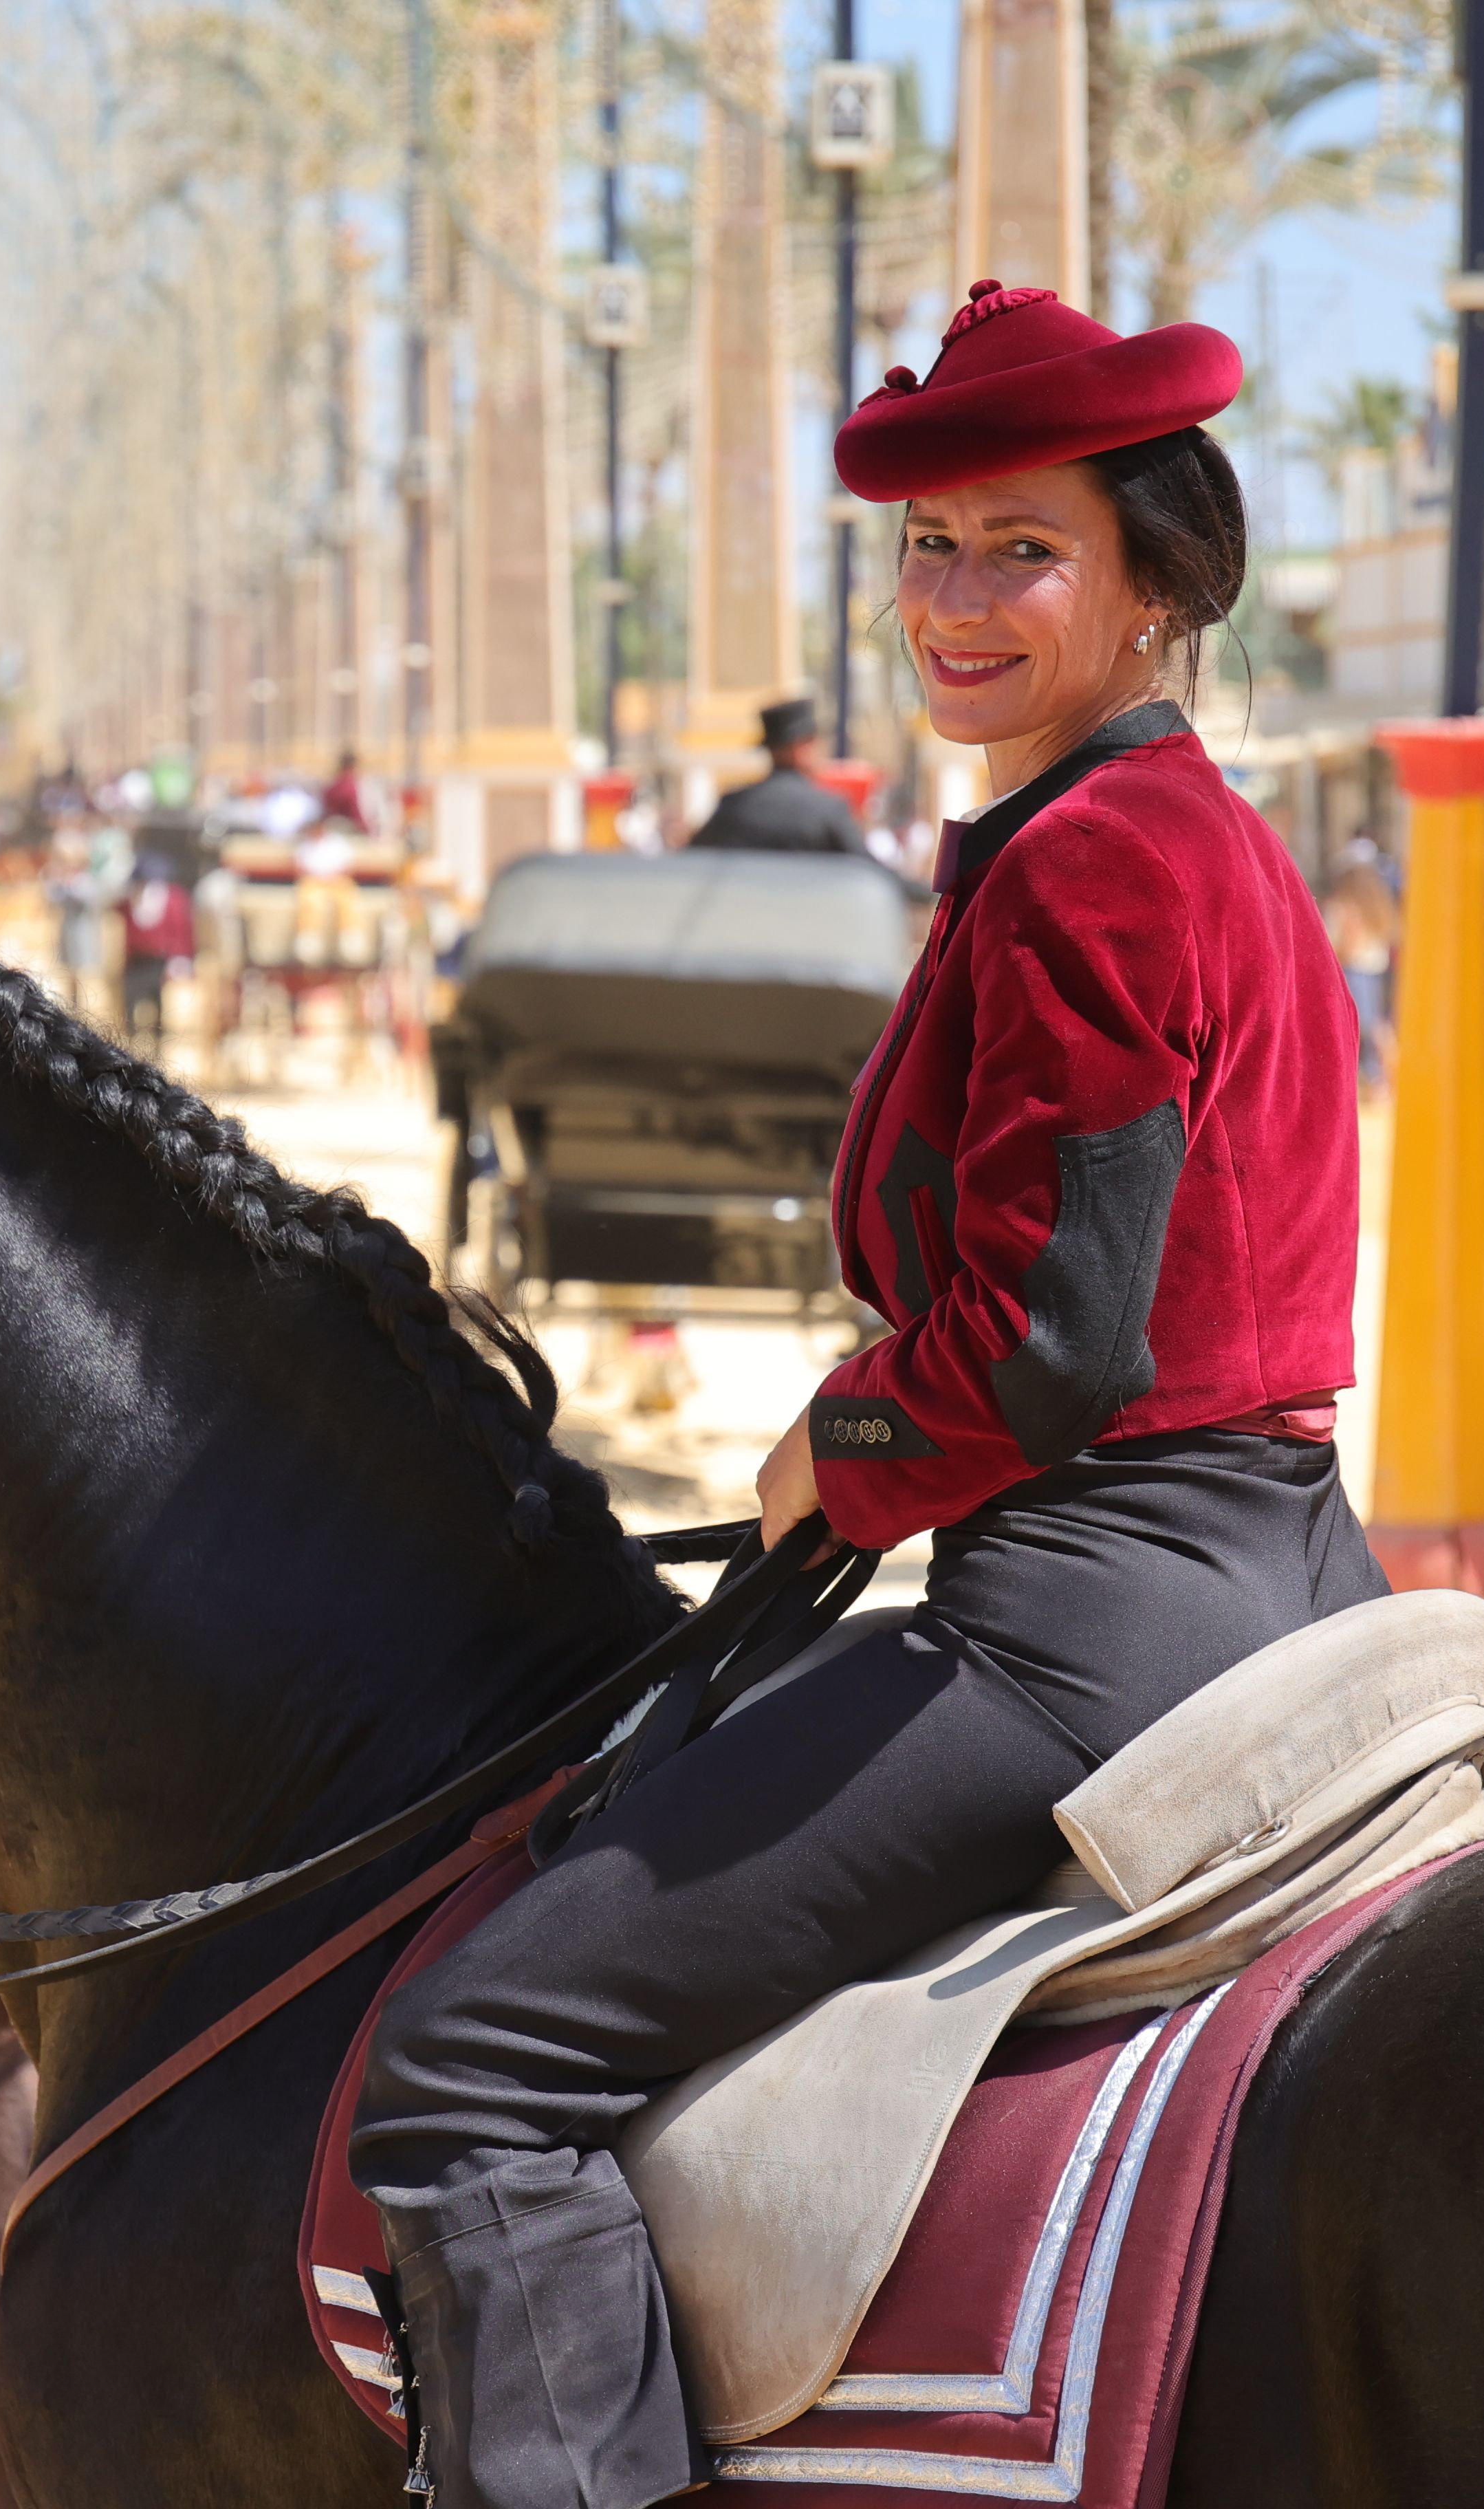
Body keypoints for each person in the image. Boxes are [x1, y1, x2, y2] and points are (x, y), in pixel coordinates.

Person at [349, 279, 1377, 2509]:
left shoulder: (1095, 860)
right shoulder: (1188, 831)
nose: (956, 599)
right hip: (1304, 1570)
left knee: (466, 2063)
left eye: (1021, 548)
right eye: (928, 548)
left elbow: (1049, 1343)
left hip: (1093, 1616)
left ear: (1155, 579)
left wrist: (851, 1440)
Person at [684, 695, 867, 854]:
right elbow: (870, 874)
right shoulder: (827, 810)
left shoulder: (733, 806)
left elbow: (693, 860)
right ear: (799, 748)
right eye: (813, 742)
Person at [1323, 835, 1399, 1103]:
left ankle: (1380, 1083)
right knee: (1377, 1028)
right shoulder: (1379, 901)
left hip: (1354, 970)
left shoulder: (1348, 905)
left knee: (1367, 1029)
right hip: (1375, 970)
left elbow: (1347, 943)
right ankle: (1385, 1082)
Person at [118, 851, 195, 1053]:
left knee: (160, 1007)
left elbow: (182, 931)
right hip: (136, 962)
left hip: (161, 961)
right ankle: (132, 1045)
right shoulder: (129, 901)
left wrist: (179, 959)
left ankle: (161, 1049)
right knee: (131, 1004)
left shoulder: (174, 900)